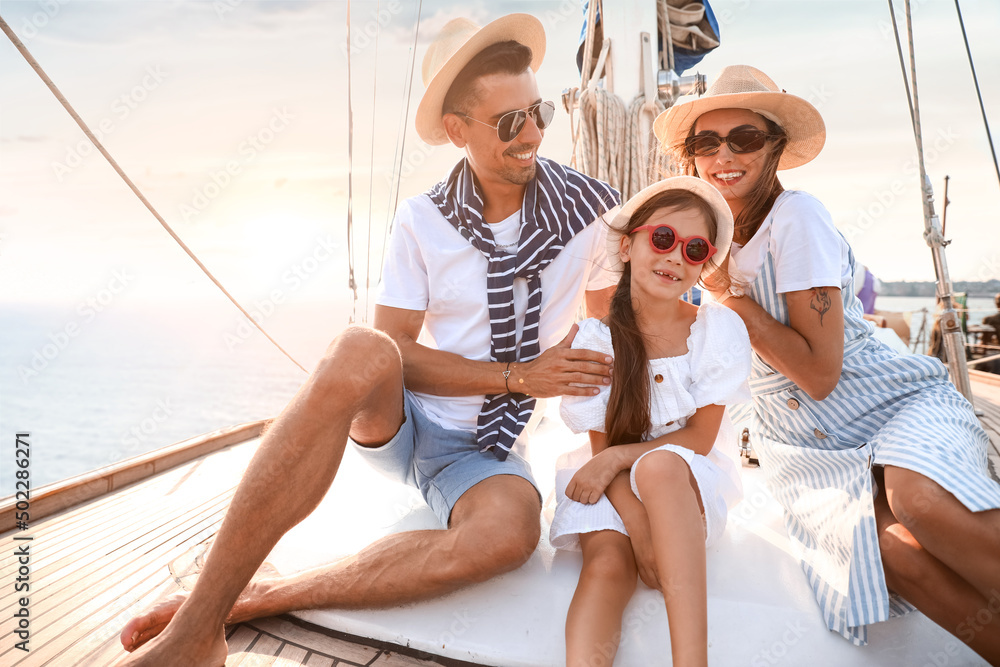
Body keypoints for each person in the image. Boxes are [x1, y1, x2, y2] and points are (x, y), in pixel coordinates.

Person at [114, 14, 621, 667]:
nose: (533, 135)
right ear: (456, 130)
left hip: (481, 454)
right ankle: (193, 633)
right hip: (405, 423)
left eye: (539, 112)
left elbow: (607, 340)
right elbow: (397, 353)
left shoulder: (593, 211)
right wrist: (519, 376)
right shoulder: (424, 219)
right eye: (508, 122)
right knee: (362, 347)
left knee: (508, 534)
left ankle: (242, 602)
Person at [654, 64, 1000, 661]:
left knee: (921, 501)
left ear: (775, 148)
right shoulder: (700, 234)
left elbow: (819, 373)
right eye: (706, 143)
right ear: (691, 157)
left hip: (887, 401)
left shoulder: (797, 217)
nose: (724, 156)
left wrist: (729, 295)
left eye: (745, 139)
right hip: (805, 445)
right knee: (891, 554)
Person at [549, 176, 751, 667]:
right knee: (606, 566)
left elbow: (699, 440)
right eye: (662, 238)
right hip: (613, 482)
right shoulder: (597, 341)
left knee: (660, 466)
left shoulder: (714, 328)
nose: (675, 257)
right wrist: (638, 528)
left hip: (684, 480)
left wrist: (622, 455)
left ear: (704, 265)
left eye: (695, 249)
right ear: (628, 245)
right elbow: (602, 457)